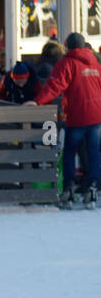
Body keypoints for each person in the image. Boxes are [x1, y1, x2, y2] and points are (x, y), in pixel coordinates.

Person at [31, 32, 101, 206]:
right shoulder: (96, 63)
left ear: (68, 46)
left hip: (77, 116)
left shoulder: (67, 63)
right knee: (94, 153)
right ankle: (92, 188)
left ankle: (69, 190)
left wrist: (37, 101)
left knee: (69, 151)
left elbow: (55, 86)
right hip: (96, 116)